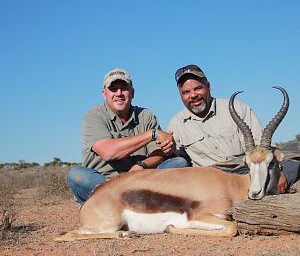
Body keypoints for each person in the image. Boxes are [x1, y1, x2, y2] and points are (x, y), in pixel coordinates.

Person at [168, 64, 300, 193]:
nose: (193, 95)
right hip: (211, 181)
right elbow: (179, 161)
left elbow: (262, 145)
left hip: (245, 171)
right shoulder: (176, 123)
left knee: (295, 149)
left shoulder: (236, 107)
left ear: (208, 87)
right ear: (180, 95)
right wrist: (171, 151)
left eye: (198, 88)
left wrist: (278, 170)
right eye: (186, 92)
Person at [68, 68, 188, 205]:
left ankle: (126, 204)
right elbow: (109, 152)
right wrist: (152, 134)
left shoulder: (146, 116)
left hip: (141, 181)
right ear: (104, 94)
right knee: (76, 175)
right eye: (113, 89)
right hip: (106, 182)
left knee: (179, 163)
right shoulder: (94, 115)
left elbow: (158, 152)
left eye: (124, 88)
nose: (119, 93)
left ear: (132, 92)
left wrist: (141, 165)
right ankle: (133, 202)